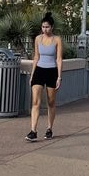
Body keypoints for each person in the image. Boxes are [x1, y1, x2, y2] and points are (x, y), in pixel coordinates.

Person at [26, 12, 63, 141]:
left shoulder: (57, 39)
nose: (45, 29)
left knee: (51, 102)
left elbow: (59, 59)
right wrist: (32, 74)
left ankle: (49, 129)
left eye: (47, 27)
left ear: (52, 27)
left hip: (52, 71)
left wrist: (59, 77)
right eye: (43, 27)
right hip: (39, 71)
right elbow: (36, 57)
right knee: (35, 102)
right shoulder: (38, 39)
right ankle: (33, 131)